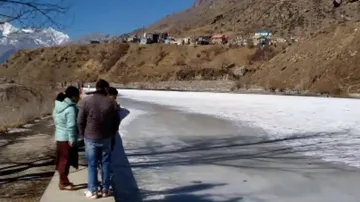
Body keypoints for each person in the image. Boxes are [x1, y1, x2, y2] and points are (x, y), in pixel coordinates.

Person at [77, 79, 120, 199]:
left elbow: (80, 120)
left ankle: (93, 190)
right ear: (106, 89)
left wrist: (82, 134)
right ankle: (105, 189)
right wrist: (111, 133)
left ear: (96, 88)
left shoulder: (86, 101)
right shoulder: (111, 103)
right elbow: (116, 122)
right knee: (105, 163)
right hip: (106, 137)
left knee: (92, 164)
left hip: (90, 137)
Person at [53, 86, 80, 191]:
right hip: (66, 138)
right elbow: (71, 126)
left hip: (59, 137)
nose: (78, 99)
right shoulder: (70, 109)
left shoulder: (58, 106)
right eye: (78, 97)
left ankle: (64, 181)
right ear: (73, 97)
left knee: (61, 160)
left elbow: (54, 119)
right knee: (65, 161)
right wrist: (73, 139)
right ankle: (63, 183)